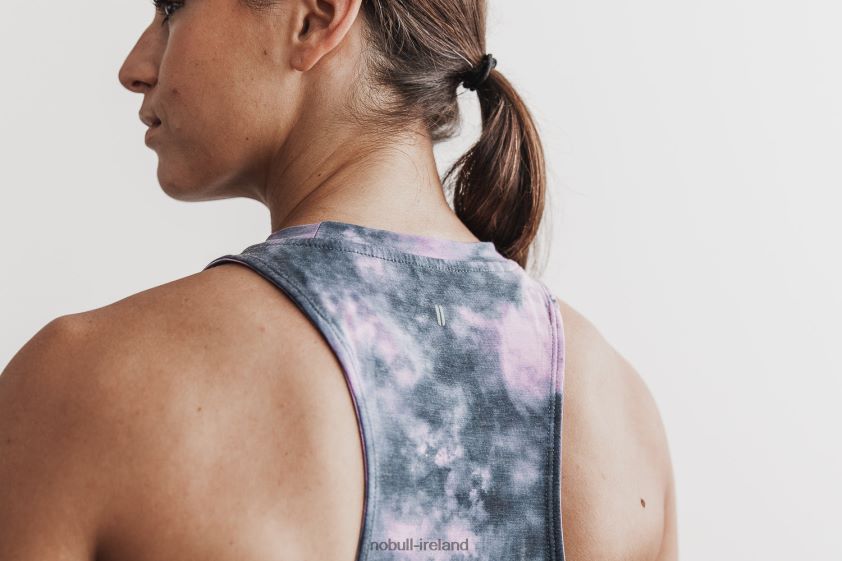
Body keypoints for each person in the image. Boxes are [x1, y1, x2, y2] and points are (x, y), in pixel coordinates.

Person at [0, 0, 677, 559]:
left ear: (316, 17)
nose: (135, 66)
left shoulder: (87, 385)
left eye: (172, 8)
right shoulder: (617, 413)